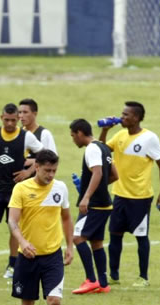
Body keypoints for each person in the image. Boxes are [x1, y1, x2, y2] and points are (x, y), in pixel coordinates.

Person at [7, 149, 73, 305]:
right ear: (37, 167)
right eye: (47, 170)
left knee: (54, 301)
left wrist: (70, 245)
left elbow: (66, 218)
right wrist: (23, 242)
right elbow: (12, 222)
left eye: (54, 170)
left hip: (52, 257)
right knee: (27, 303)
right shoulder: (21, 189)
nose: (51, 175)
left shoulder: (60, 188)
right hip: (27, 257)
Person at [99, 101, 160, 286]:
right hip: (120, 194)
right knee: (115, 235)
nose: (122, 117)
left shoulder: (149, 138)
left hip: (140, 197)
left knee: (141, 237)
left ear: (136, 118)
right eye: (122, 114)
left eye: (126, 115)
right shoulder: (120, 135)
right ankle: (114, 275)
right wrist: (105, 130)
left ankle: (143, 277)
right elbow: (101, 149)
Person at [0, 103, 43, 279]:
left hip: (15, 191)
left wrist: (28, 171)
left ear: (18, 119)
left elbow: (43, 154)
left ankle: (12, 266)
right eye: (7, 120)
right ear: (1, 118)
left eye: (13, 120)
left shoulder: (26, 136)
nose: (10, 124)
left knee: (14, 228)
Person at [70, 119, 118, 294]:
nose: (73, 139)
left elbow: (98, 172)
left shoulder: (91, 149)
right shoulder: (104, 147)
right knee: (96, 243)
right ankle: (104, 284)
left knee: (77, 237)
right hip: (104, 204)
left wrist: (87, 197)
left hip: (95, 206)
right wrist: (99, 189)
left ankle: (91, 280)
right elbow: (114, 175)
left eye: (73, 135)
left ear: (80, 133)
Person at [18, 98, 57, 163]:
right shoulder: (17, 132)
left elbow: (53, 160)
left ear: (35, 114)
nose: (21, 116)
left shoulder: (44, 134)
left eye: (25, 112)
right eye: (20, 112)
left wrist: (31, 161)